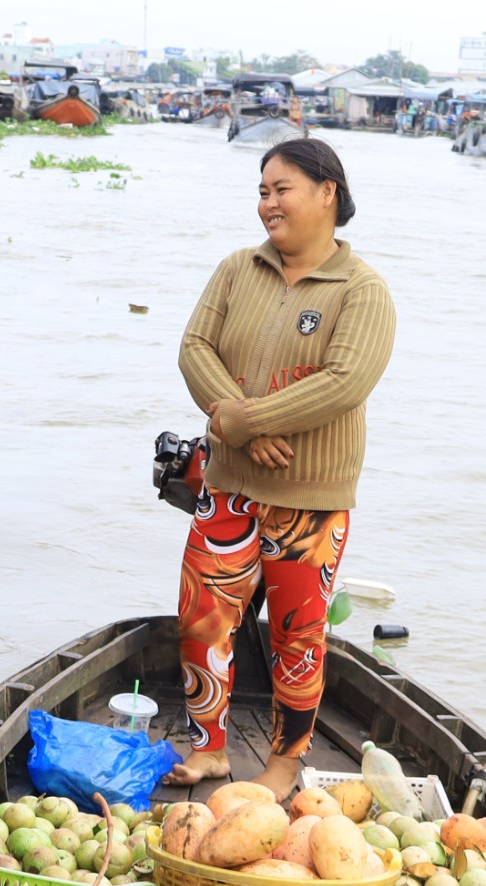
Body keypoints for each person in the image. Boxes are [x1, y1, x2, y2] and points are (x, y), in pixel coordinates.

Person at [166, 137, 395, 796]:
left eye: (281, 188)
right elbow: (195, 346)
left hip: (310, 500)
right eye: (262, 190)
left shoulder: (362, 289)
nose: (267, 202)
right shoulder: (239, 268)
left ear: (328, 192)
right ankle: (210, 750)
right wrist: (231, 417)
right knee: (201, 616)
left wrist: (245, 421)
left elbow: (344, 381)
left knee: (298, 635)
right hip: (229, 486)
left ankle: (282, 766)